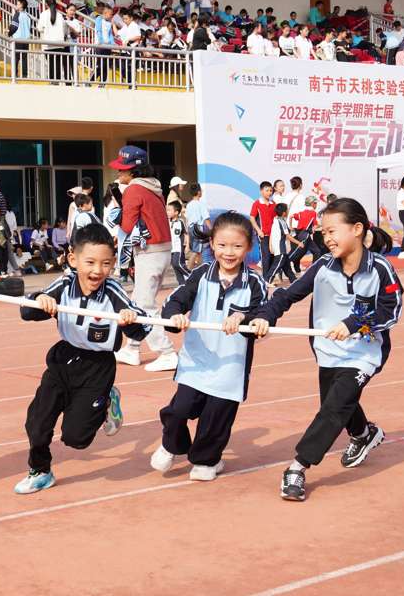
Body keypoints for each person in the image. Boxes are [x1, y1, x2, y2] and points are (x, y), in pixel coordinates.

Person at [252, 198, 403, 501]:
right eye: (323, 233)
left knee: (334, 408)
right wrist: (265, 315)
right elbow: (288, 295)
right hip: (328, 351)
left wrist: (355, 322)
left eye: (333, 231)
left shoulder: (381, 270)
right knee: (339, 403)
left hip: (364, 353)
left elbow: (392, 309)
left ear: (357, 229)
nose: (327, 238)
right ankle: (364, 434)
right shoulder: (322, 266)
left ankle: (298, 466)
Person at [13, 223, 149, 494]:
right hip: (63, 360)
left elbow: (143, 327)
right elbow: (28, 312)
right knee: (37, 423)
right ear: (73, 259)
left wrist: (130, 322)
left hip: (97, 367)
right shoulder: (65, 283)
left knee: (77, 438)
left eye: (106, 263)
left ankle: (108, 399)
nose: (97, 270)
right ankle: (40, 470)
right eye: (90, 262)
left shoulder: (112, 291)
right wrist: (41, 301)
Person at [153, 212, 265, 480]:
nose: (229, 252)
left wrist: (245, 319)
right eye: (223, 245)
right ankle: (172, 444)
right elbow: (175, 301)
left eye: (237, 246)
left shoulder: (255, 283)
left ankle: (207, 460)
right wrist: (176, 317)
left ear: (248, 248)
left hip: (230, 366)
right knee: (179, 409)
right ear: (212, 244)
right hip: (196, 361)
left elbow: (263, 313)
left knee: (216, 419)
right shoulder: (201, 274)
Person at [111, 145, 178, 372]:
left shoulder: (134, 190)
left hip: (149, 252)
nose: (119, 174)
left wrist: (117, 212)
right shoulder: (154, 187)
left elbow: (127, 225)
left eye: (123, 170)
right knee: (138, 301)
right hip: (160, 250)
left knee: (144, 305)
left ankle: (167, 352)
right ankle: (132, 347)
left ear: (134, 171)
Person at [249, 181, 277, 280]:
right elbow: (252, 218)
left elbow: (276, 219)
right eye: (267, 190)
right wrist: (258, 231)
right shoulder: (257, 203)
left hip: (273, 235)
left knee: (273, 256)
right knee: (266, 256)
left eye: (270, 190)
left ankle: (269, 278)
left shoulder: (273, 204)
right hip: (263, 235)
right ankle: (265, 279)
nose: (269, 192)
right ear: (261, 191)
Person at [185, 183, 212, 267]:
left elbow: (187, 219)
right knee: (196, 251)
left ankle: (200, 269)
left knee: (198, 250)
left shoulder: (189, 205)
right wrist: (212, 230)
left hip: (191, 228)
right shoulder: (201, 204)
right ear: (199, 192)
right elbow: (206, 218)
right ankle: (189, 269)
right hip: (198, 228)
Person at [167, 201, 189, 286]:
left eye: (169, 210)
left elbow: (186, 234)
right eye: (167, 210)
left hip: (178, 248)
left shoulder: (181, 222)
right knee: (174, 266)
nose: (167, 212)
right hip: (170, 248)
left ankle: (191, 276)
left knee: (178, 264)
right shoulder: (167, 222)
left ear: (176, 212)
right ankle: (181, 284)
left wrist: (187, 245)